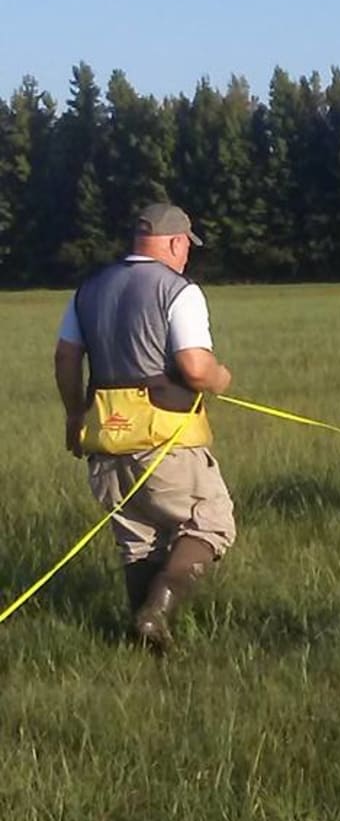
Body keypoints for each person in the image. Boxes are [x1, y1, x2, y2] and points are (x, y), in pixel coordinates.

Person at [53, 202, 235, 653]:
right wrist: (219, 379)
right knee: (211, 525)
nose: (187, 256)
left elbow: (65, 356)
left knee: (138, 541)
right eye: (185, 247)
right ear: (175, 242)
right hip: (165, 437)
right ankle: (157, 613)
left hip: (105, 436)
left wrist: (75, 414)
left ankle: (144, 644)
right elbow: (194, 366)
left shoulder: (89, 288)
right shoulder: (178, 289)